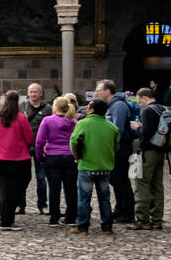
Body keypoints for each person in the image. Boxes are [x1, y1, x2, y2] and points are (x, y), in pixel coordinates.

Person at [0, 90, 35, 232]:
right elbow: (30, 139)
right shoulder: (21, 118)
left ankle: (5, 218)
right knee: (17, 188)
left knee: (3, 189)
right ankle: (8, 220)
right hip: (19, 159)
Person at [71, 97, 118, 235]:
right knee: (105, 199)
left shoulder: (82, 124)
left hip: (86, 166)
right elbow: (116, 145)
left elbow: (73, 142)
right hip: (105, 167)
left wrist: (77, 157)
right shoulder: (112, 127)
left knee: (84, 198)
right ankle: (107, 228)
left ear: (91, 110)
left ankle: (83, 227)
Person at [95, 80, 136, 224]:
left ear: (108, 91)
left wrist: (110, 146)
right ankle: (120, 209)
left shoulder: (118, 105)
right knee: (115, 180)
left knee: (121, 180)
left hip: (120, 149)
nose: (97, 92)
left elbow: (117, 129)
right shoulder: (112, 105)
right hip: (116, 148)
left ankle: (128, 212)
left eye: (99, 89)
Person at [34, 96, 78, 226]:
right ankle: (71, 217)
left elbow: (39, 141)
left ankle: (54, 217)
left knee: (54, 188)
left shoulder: (47, 121)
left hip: (52, 156)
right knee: (71, 188)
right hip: (69, 157)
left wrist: (40, 157)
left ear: (55, 107)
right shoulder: (74, 122)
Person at [132, 86, 169, 231]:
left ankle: (142, 219)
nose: (139, 103)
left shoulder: (148, 110)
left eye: (139, 100)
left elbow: (145, 134)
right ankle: (157, 219)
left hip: (148, 151)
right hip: (161, 151)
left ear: (144, 98)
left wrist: (137, 127)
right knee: (157, 185)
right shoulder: (163, 108)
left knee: (142, 183)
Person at [23, 83, 49, 215]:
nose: (33, 94)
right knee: (23, 177)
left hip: (41, 147)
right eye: (31, 92)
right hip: (25, 146)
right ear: (28, 93)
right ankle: (20, 204)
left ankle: (42, 205)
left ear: (41, 93)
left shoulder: (47, 108)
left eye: (35, 92)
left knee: (41, 177)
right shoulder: (22, 107)